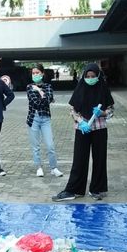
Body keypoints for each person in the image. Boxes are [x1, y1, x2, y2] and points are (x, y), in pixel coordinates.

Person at [52, 63, 113, 202]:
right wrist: (81, 121)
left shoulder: (103, 90)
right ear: (84, 76)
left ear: (98, 76)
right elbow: (73, 110)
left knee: (99, 159)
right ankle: (75, 190)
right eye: (87, 76)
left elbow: (111, 111)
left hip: (100, 129)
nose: (90, 79)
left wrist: (102, 112)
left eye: (93, 76)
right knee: (79, 159)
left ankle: (97, 189)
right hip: (82, 129)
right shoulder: (80, 89)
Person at [26, 63, 63, 178]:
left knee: (50, 145)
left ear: (42, 73)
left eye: (37, 72)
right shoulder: (29, 87)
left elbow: (48, 99)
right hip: (34, 119)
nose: (35, 74)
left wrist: (41, 93)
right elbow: (36, 104)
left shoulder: (48, 86)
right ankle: (39, 167)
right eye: (33, 73)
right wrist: (44, 96)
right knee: (36, 146)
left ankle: (54, 168)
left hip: (45, 119)